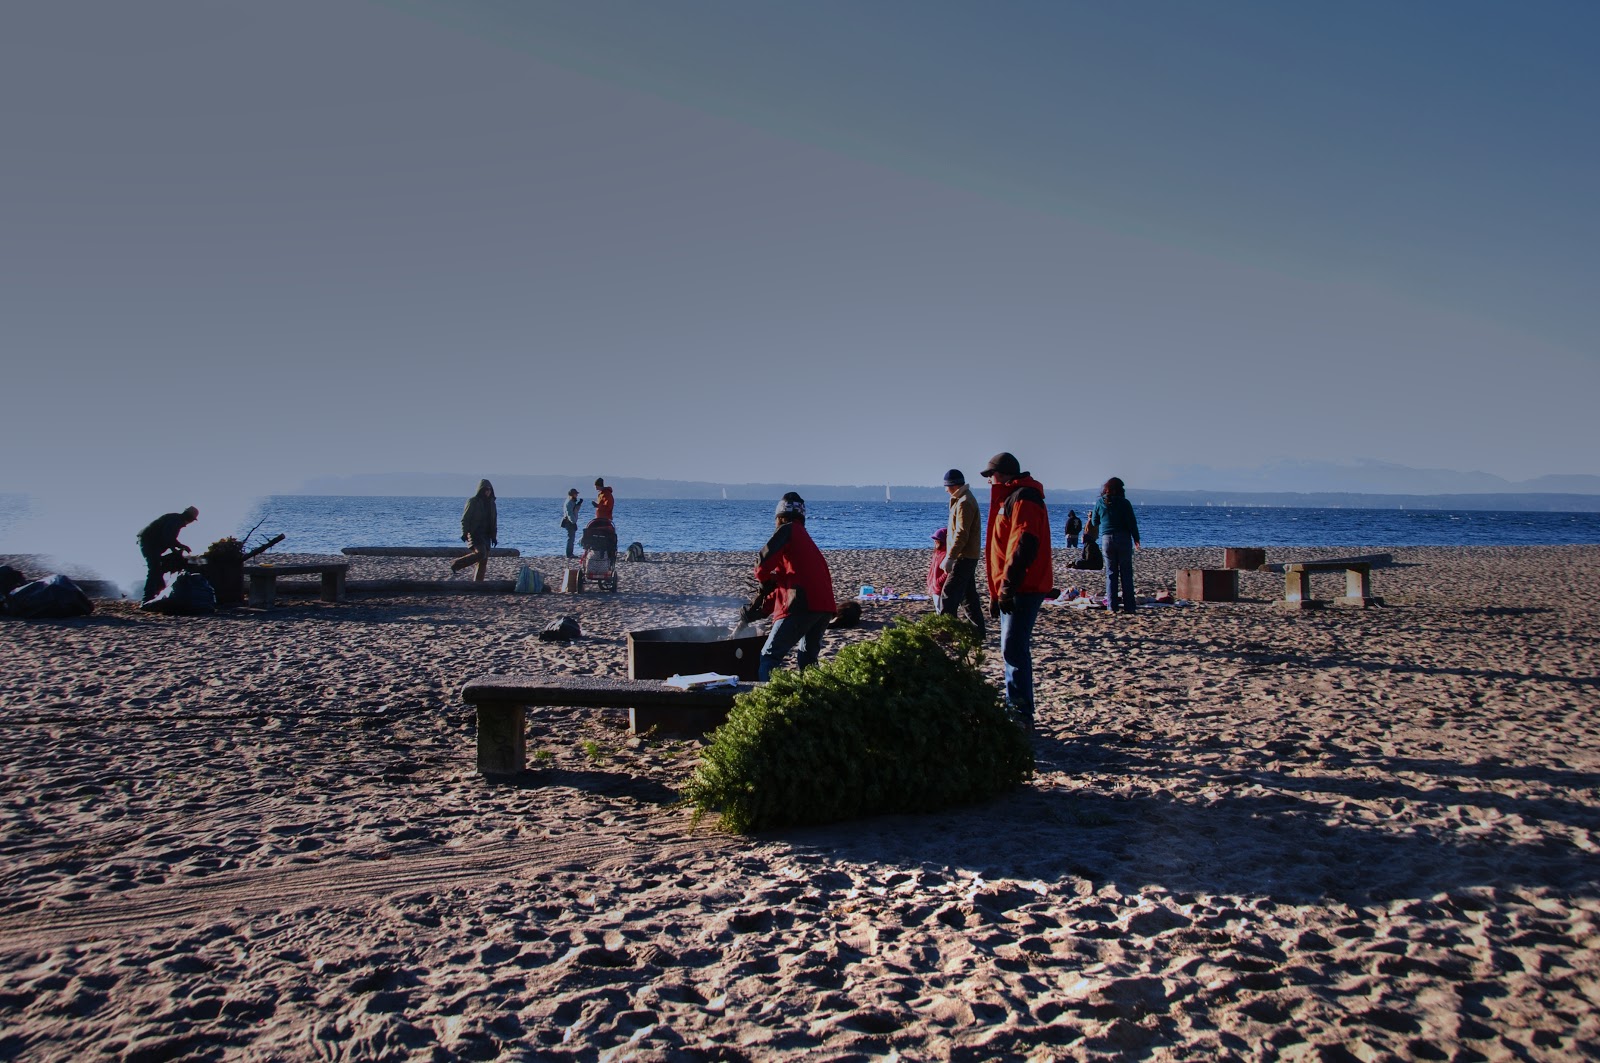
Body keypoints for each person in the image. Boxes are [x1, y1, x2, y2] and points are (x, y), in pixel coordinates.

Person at [981, 452, 1053, 731]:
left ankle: (1021, 713)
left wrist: (1007, 587)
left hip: (1023, 587)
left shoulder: (1024, 497)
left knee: (1013, 647)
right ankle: (1017, 708)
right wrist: (996, 590)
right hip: (1011, 587)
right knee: (1010, 647)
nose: (988, 480)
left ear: (1003, 474)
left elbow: (1023, 543)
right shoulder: (1010, 498)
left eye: (990, 475)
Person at [745, 492, 837, 681]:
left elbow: (761, 564)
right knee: (808, 660)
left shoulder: (787, 530)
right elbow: (786, 583)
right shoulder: (804, 540)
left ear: (779, 517)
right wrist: (762, 611)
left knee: (769, 657)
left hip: (802, 604)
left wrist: (763, 579)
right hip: (824, 607)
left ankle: (768, 703)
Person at [936, 468, 986, 640]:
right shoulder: (961, 499)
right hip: (966, 555)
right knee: (968, 596)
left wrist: (951, 557)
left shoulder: (964, 501)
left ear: (953, 485)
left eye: (946, 486)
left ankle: (946, 632)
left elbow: (961, 533)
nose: (945, 489)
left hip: (963, 556)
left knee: (948, 594)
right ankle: (977, 633)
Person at [1091, 476, 1141, 613]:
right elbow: (1132, 523)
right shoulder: (1125, 503)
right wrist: (1136, 538)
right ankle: (1129, 607)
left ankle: (1112, 607)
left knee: (1111, 573)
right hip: (1123, 538)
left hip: (1107, 539)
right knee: (1126, 573)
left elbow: (1095, 523)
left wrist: (1093, 517)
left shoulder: (1100, 503)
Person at [137, 506, 199, 602]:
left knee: (157, 569)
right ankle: (147, 598)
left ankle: (158, 594)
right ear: (190, 518)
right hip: (149, 542)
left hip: (151, 543)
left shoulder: (175, 519)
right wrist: (176, 551)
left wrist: (181, 546)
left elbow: (170, 538)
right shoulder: (175, 521)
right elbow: (167, 537)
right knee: (154, 568)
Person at [450, 479, 497, 581]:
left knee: (483, 561)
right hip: (475, 533)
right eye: (486, 489)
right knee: (481, 553)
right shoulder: (473, 502)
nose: (488, 492)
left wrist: (494, 537)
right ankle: (456, 564)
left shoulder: (492, 504)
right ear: (481, 490)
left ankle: (478, 583)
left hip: (486, 535)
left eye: (489, 490)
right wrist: (464, 533)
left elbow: (494, 521)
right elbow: (465, 519)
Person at [927, 528, 949, 599]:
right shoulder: (937, 553)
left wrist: (938, 583)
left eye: (937, 539)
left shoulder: (946, 555)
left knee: (942, 609)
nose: (935, 541)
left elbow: (947, 572)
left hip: (940, 589)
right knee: (938, 609)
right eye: (934, 539)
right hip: (934, 588)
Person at [561, 488, 583, 558]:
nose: (577, 495)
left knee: (571, 538)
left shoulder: (572, 502)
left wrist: (579, 504)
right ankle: (569, 554)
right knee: (571, 538)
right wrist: (573, 522)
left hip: (571, 521)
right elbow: (569, 513)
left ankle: (570, 553)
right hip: (569, 522)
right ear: (573, 494)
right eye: (576, 494)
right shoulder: (569, 502)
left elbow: (575, 510)